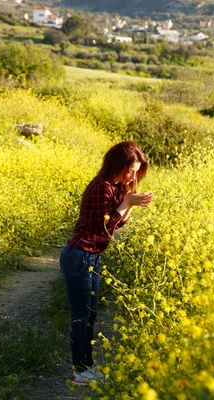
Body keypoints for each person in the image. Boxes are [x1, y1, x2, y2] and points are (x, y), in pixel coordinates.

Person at [59, 141, 153, 385]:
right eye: (131, 169)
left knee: (89, 316)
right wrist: (127, 204)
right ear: (118, 165)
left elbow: (117, 223)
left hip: (89, 256)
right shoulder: (102, 187)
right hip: (79, 256)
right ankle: (81, 371)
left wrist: (130, 203)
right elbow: (108, 224)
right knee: (81, 316)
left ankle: (86, 368)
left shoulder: (112, 186)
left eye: (136, 171)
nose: (133, 175)